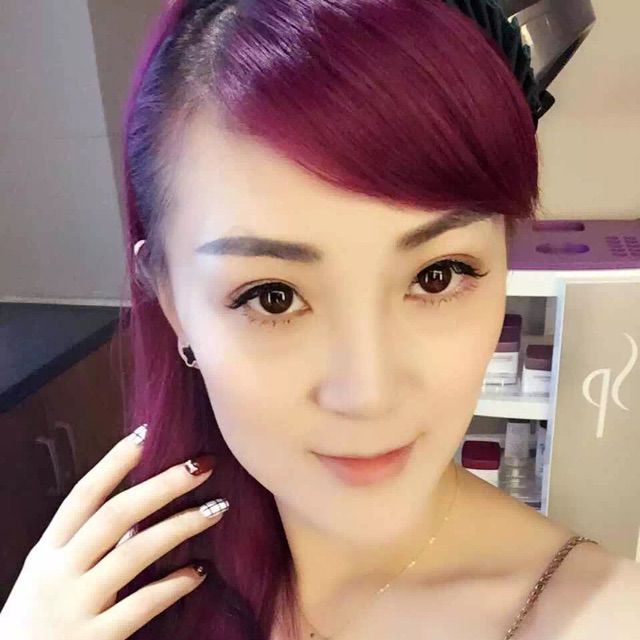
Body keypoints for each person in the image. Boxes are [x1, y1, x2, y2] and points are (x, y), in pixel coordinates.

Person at [1, 1, 639, 639]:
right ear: (171, 303)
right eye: (273, 296)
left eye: (437, 276)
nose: (367, 395)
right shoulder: (108, 607)